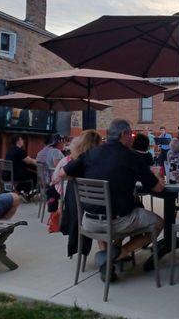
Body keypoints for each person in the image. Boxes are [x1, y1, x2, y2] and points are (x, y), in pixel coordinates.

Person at [63, 119, 164, 282]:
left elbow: (63, 174)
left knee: (106, 211)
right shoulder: (132, 156)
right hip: (116, 221)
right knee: (158, 223)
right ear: (124, 134)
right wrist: (160, 179)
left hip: (89, 221)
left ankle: (106, 261)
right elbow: (157, 188)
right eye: (131, 134)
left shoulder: (91, 153)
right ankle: (117, 255)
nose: (133, 138)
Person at [5, 134, 37, 199]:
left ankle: (20, 191)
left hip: (6, 174)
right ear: (18, 141)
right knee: (34, 176)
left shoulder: (10, 150)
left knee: (27, 174)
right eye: (22, 139)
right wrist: (37, 161)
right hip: (15, 175)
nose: (23, 141)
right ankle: (26, 193)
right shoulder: (19, 150)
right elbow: (29, 161)